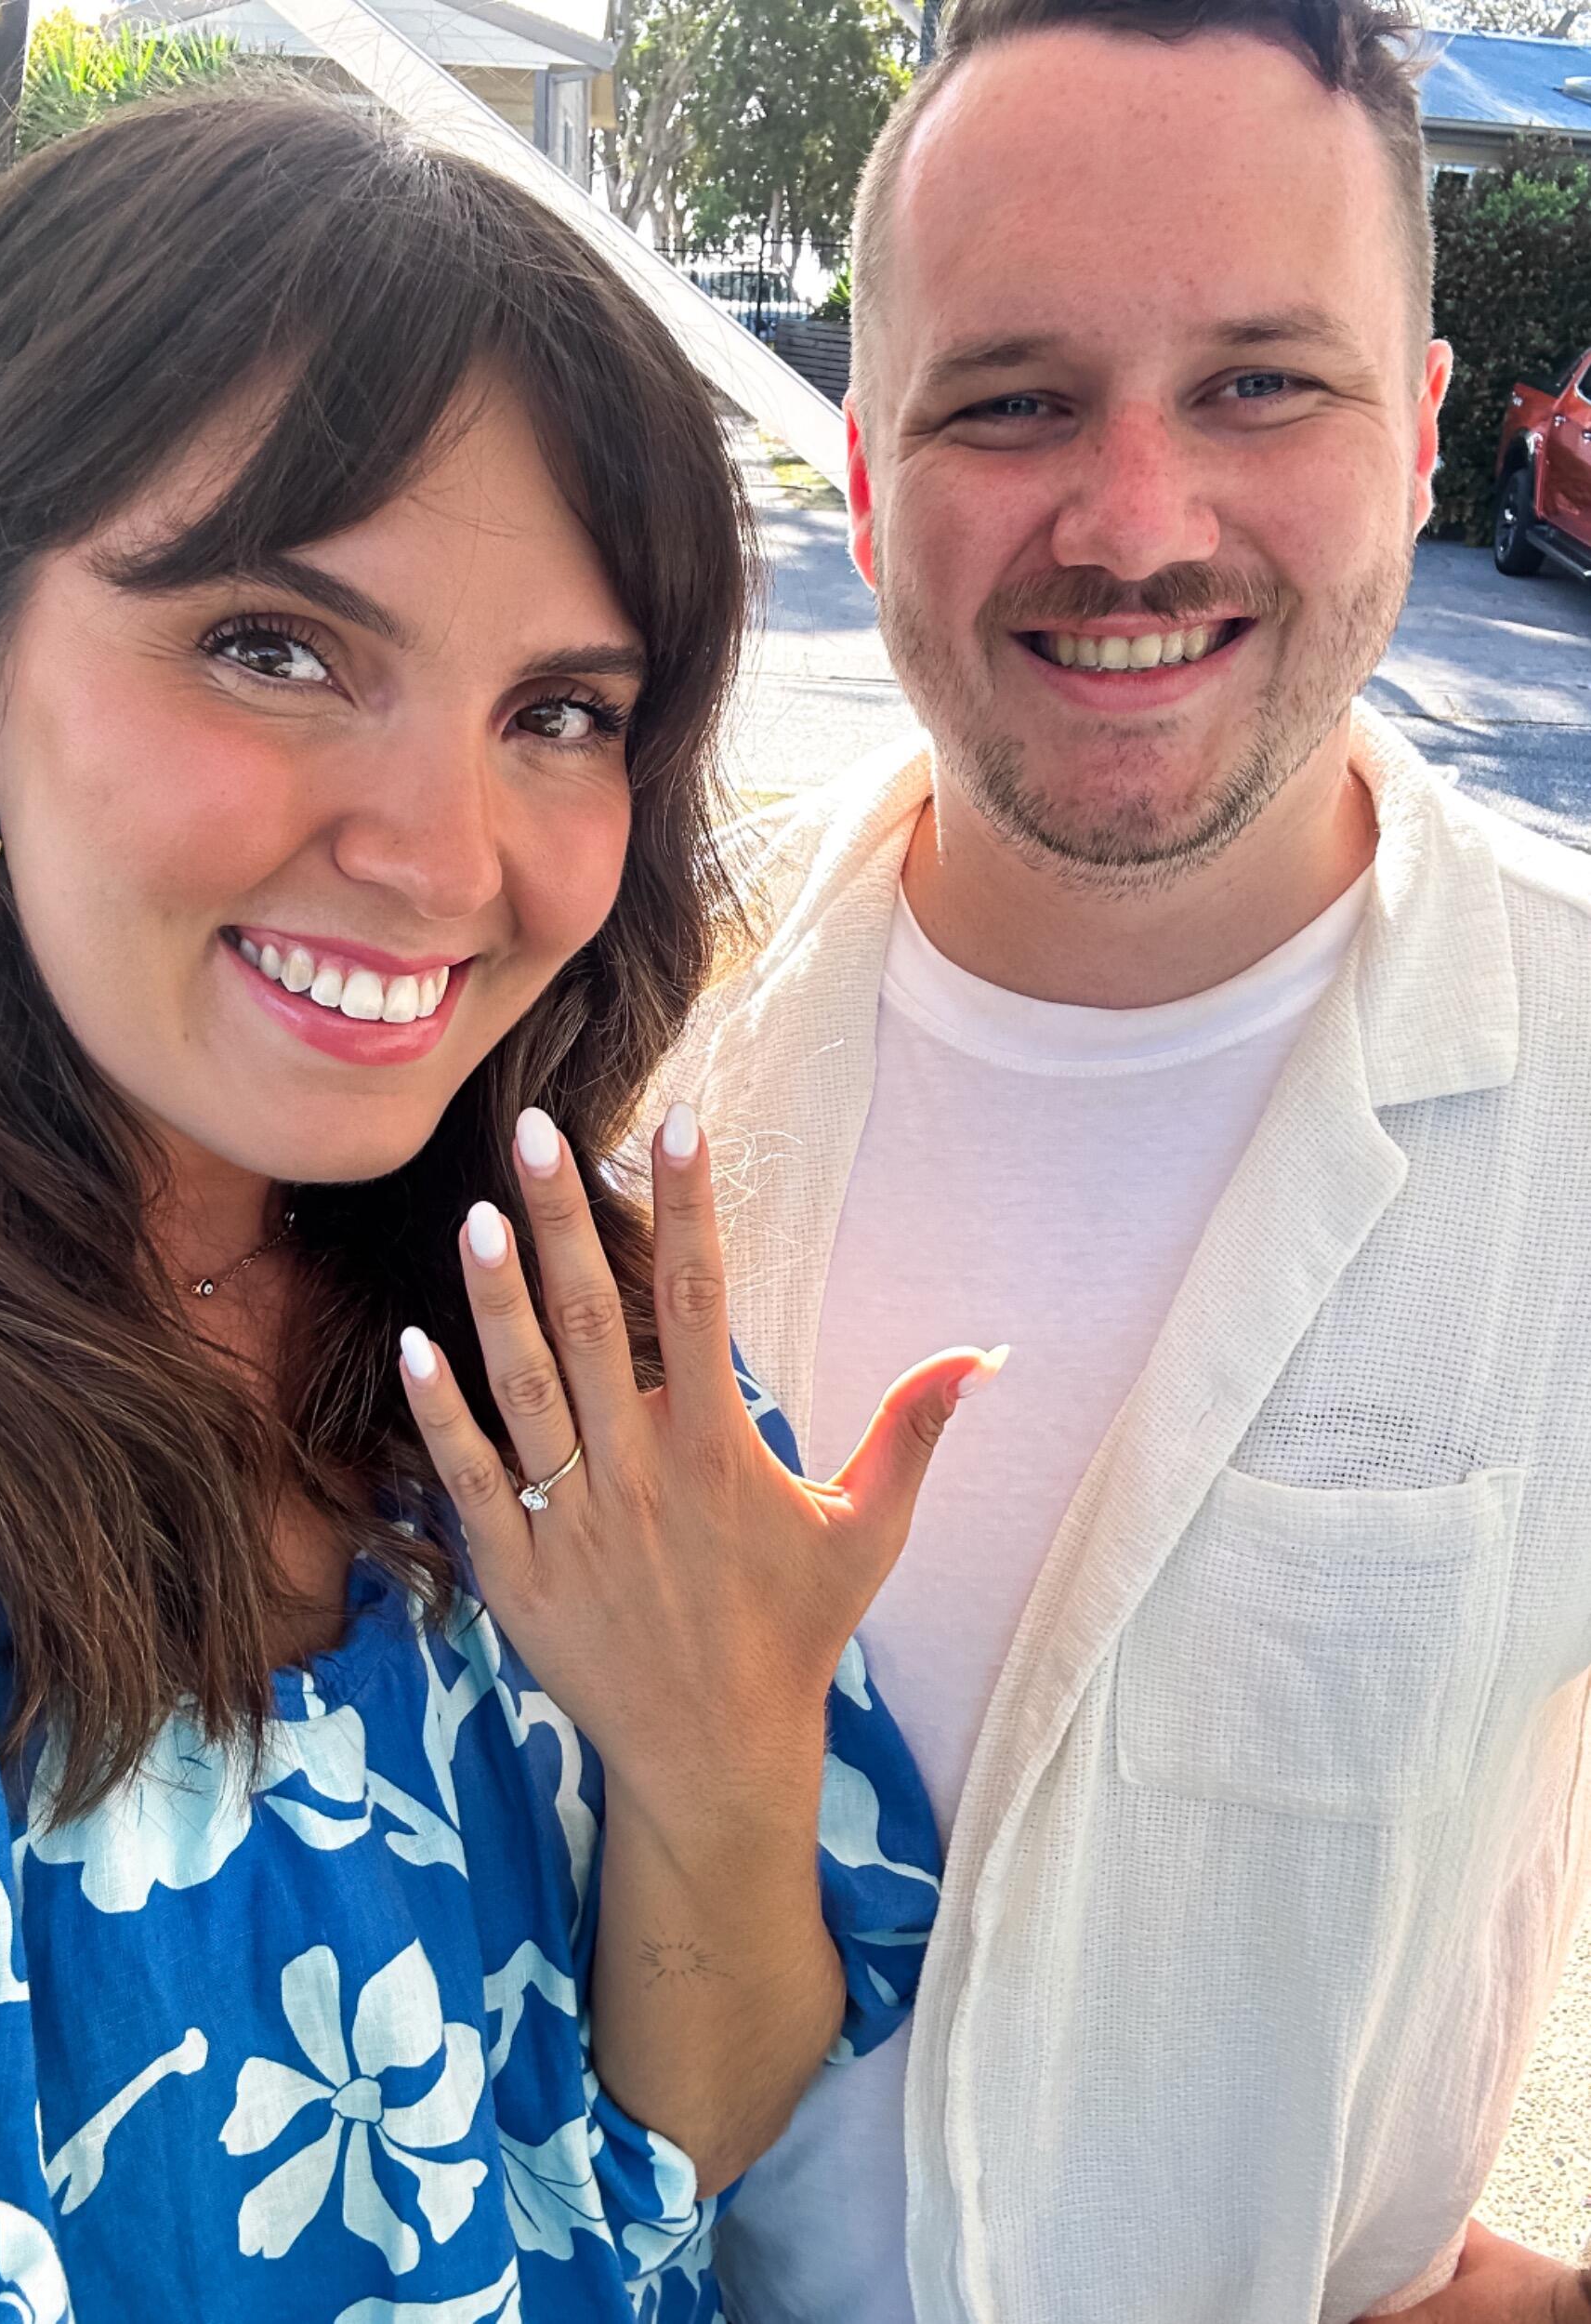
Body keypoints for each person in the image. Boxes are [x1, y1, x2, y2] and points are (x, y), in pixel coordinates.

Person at [0, 86, 997, 2323]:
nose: (446, 854)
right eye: (276, 643)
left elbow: (693, 2129)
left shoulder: (543, 1335)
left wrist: (716, 1757)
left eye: (560, 710)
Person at [676, 2, 1591, 2319]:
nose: (1133, 521)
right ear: (867, 473)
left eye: (1261, 383)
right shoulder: (611, 1026)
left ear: (1417, 446)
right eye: (1010, 397)